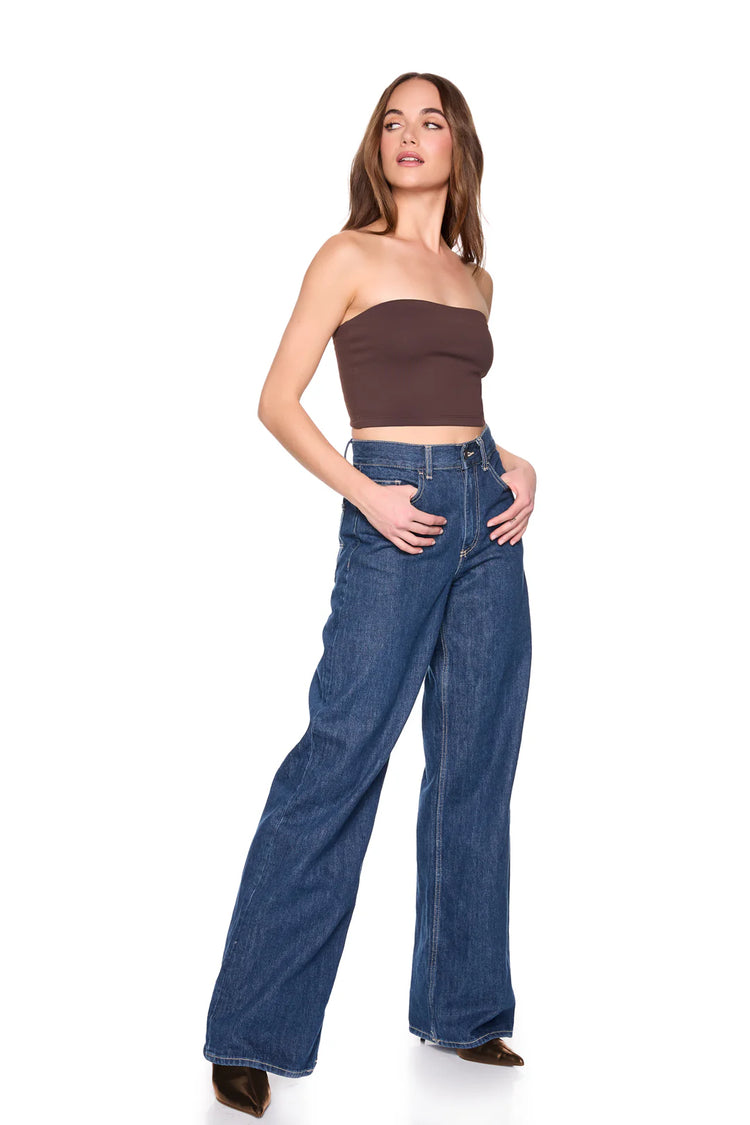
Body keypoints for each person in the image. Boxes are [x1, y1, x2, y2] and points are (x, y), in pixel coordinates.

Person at [204, 71, 536, 1117]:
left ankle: (464, 1010)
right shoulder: (347, 255)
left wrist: (516, 463)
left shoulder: (476, 280)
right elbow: (277, 399)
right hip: (394, 511)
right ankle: (250, 1032)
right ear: (376, 145)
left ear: (458, 146)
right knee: (340, 756)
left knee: (476, 766)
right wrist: (365, 491)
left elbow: (460, 405)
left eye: (430, 120)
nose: (409, 134)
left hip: (487, 521)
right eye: (393, 120)